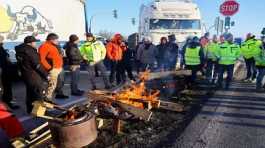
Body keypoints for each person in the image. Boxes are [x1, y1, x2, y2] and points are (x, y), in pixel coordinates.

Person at [15, 36, 48, 113]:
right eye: (34, 42)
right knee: (38, 94)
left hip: (26, 74)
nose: (36, 43)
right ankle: (39, 112)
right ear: (30, 43)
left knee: (30, 93)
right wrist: (46, 75)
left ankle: (30, 110)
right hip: (34, 75)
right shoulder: (30, 51)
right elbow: (37, 65)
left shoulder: (20, 50)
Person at [39, 33, 64, 101]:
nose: (58, 41)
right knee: (51, 85)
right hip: (53, 69)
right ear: (51, 40)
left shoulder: (54, 46)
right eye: (56, 40)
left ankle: (50, 98)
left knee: (55, 84)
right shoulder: (45, 46)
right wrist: (49, 68)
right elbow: (42, 59)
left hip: (58, 68)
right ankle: (47, 99)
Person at [0, 35, 19, 109]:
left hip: (4, 70)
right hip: (3, 70)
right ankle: (7, 102)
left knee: (6, 87)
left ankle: (6, 100)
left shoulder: (1, 48)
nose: (3, 42)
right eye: (1, 40)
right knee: (6, 87)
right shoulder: (0, 48)